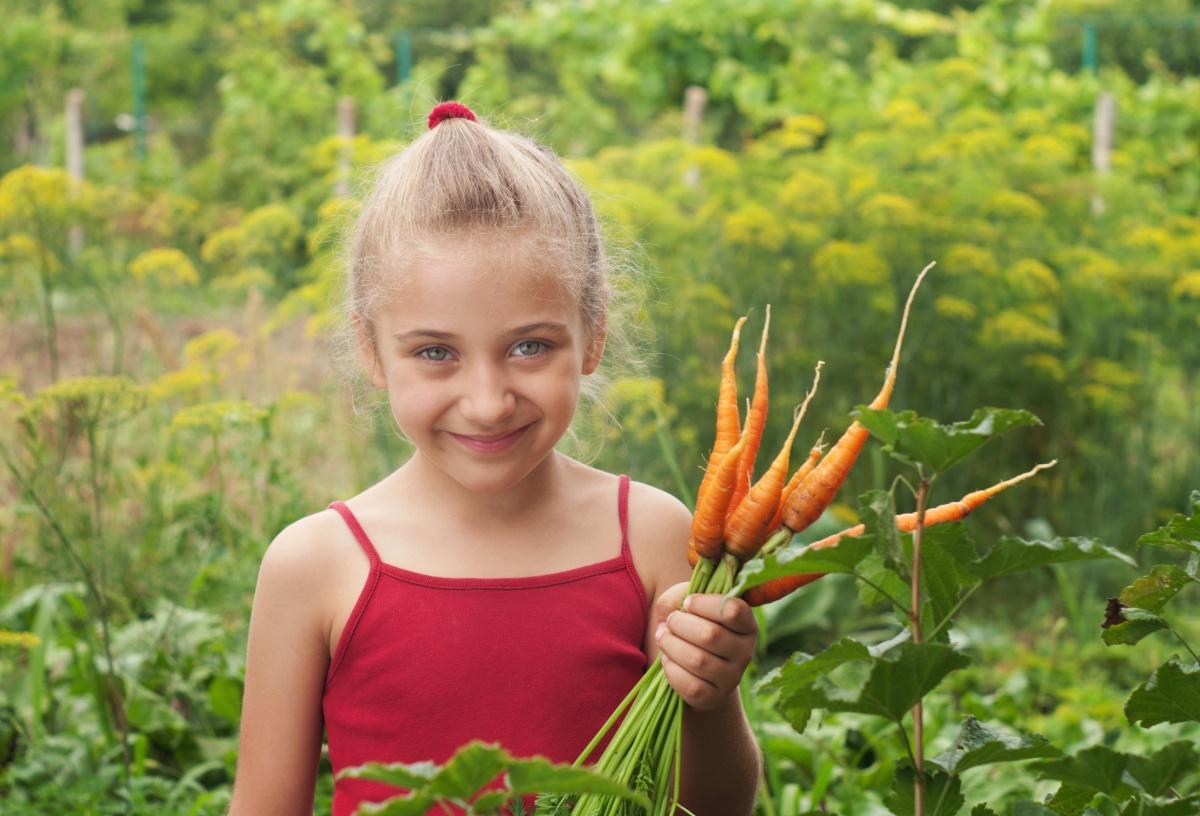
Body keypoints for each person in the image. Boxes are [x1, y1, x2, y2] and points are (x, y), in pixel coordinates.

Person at [228, 101, 762, 816]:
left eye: (529, 347)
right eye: (435, 353)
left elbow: (718, 806)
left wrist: (711, 697)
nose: (486, 402)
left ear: (593, 334)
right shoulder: (315, 566)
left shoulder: (652, 537)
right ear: (371, 349)